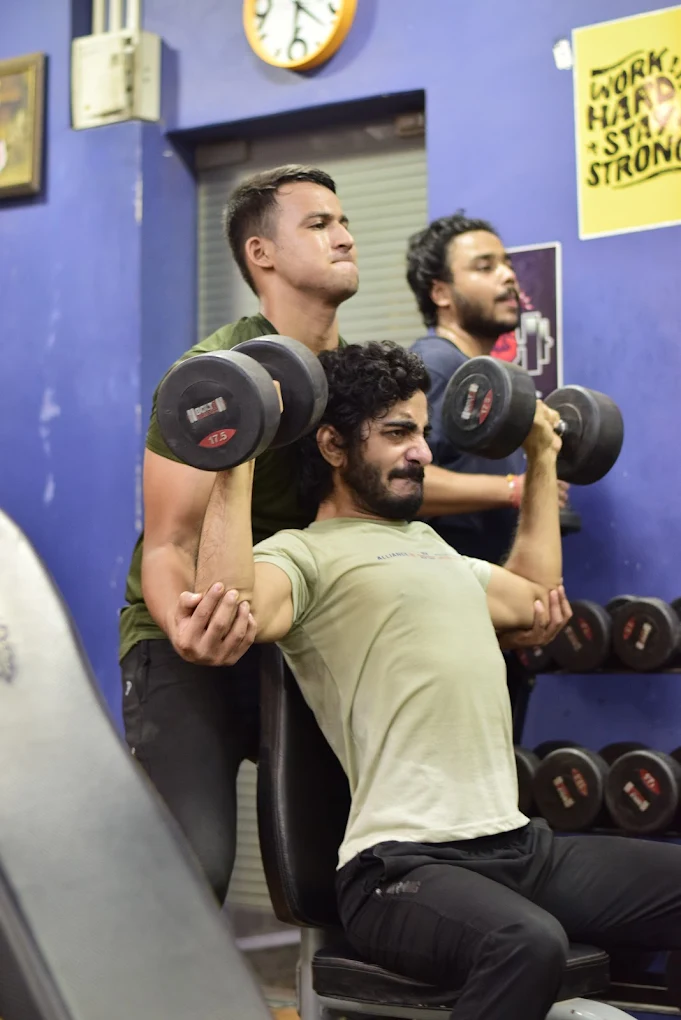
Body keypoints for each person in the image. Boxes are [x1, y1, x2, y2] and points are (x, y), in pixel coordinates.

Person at [196, 341, 681, 1020]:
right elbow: (231, 604)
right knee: (526, 945)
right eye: (398, 433)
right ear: (332, 445)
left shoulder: (435, 548)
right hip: (401, 869)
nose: (423, 452)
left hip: (517, 847)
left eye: (422, 433)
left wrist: (541, 458)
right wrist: (237, 453)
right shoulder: (300, 556)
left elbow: (534, 600)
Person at [119, 167, 564, 903]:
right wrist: (189, 628)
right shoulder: (209, 378)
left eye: (345, 221)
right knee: (193, 868)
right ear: (261, 253)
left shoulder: (355, 380)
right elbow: (169, 543)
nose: (345, 236)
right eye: (319, 224)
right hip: (190, 632)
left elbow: (390, 485)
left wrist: (524, 482)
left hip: (297, 616)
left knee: (351, 854)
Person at [407, 213, 569, 565]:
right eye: (485, 267)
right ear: (440, 293)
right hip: (448, 583)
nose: (508, 276)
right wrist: (514, 489)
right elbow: (398, 479)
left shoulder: (479, 374)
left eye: (507, 265)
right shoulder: (435, 365)